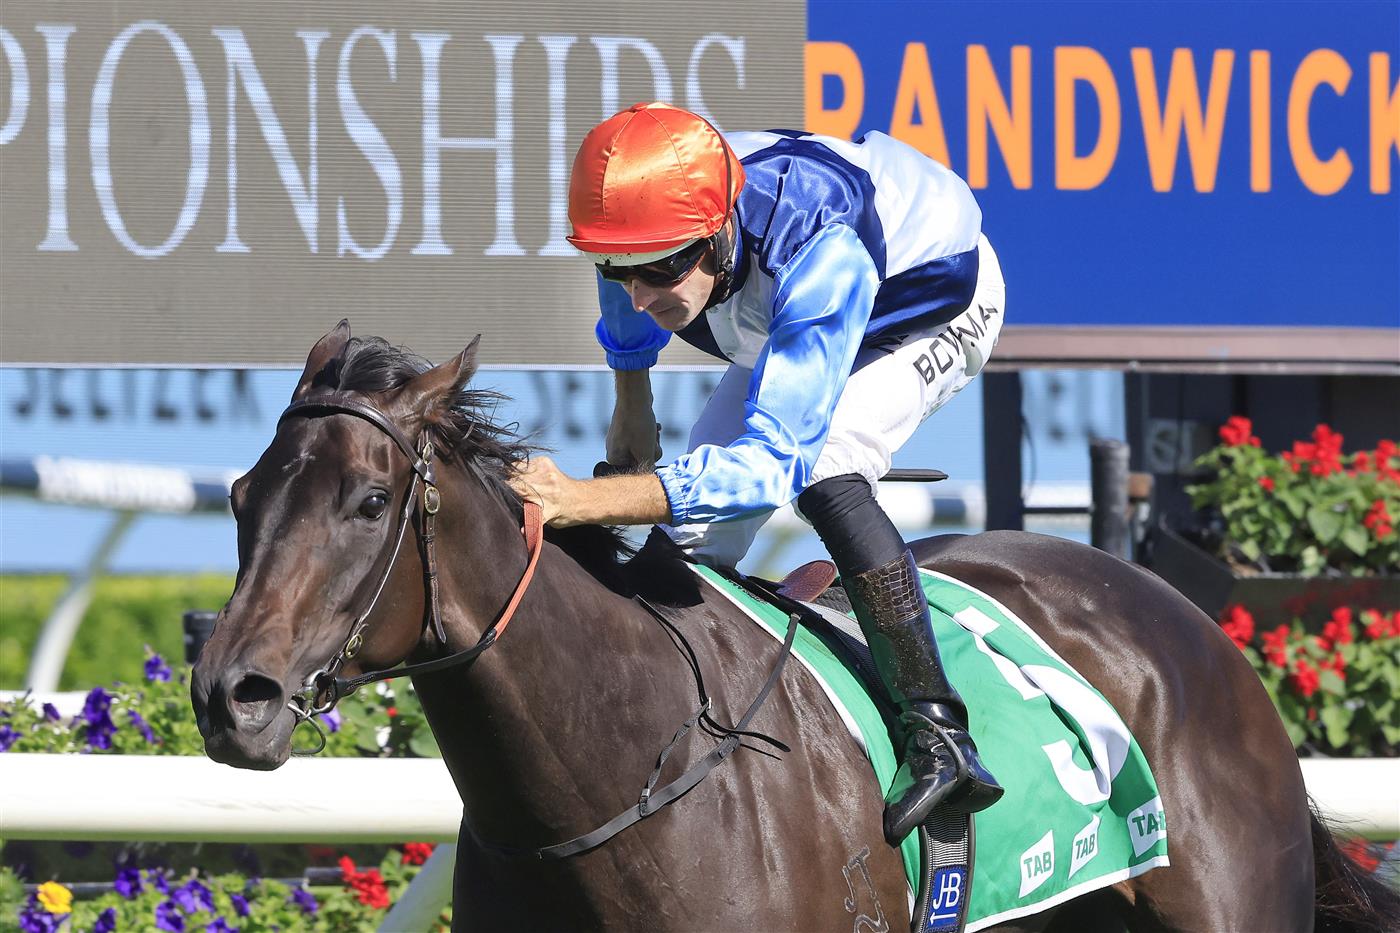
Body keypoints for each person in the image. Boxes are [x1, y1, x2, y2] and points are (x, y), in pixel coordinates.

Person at [510, 102, 1005, 844]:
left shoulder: (821, 247)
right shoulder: (655, 228)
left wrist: (587, 499)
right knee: (689, 539)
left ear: (715, 233)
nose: (639, 292)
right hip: (785, 301)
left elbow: (772, 466)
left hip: (929, 302)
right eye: (617, 268)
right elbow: (630, 274)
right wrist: (631, 398)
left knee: (826, 470)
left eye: (660, 269)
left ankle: (941, 734)